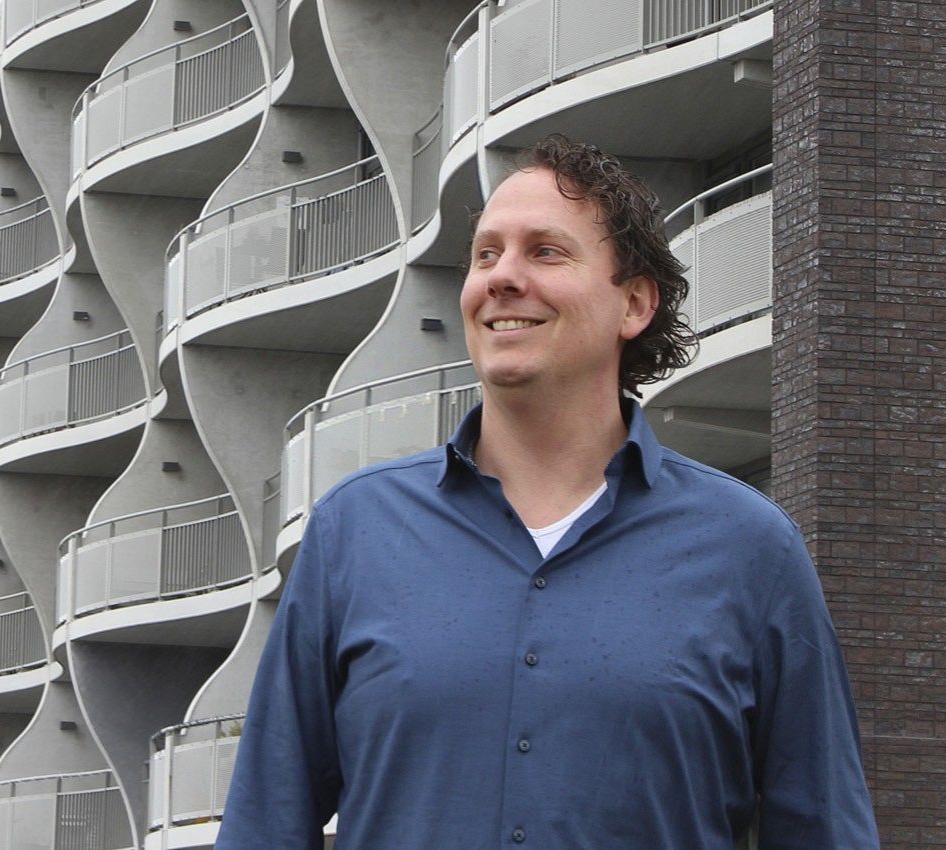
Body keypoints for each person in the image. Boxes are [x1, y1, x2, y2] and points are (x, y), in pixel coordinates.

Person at [216, 136, 878, 849]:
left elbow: (825, 830)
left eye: (545, 252)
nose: (502, 277)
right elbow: (265, 823)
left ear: (634, 303)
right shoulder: (354, 532)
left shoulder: (752, 550)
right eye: (486, 254)